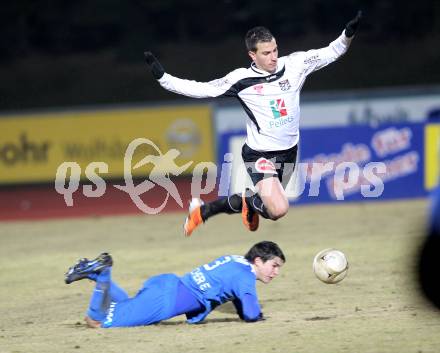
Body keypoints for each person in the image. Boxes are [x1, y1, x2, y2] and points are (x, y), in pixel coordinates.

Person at [144, 12, 362, 236]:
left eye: (275, 50)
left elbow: (332, 51)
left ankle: (203, 211)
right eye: (266, 53)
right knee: (279, 209)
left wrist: (347, 34)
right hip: (260, 155)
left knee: (268, 206)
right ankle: (248, 203)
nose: (273, 57)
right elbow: (202, 89)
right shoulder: (241, 79)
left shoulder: (295, 64)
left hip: (289, 152)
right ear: (252, 55)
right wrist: (164, 79)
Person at [64, 241, 285, 328]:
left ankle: (95, 272)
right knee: (96, 321)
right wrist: (257, 316)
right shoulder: (245, 277)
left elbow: (235, 297)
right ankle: (102, 274)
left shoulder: (236, 260)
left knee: (125, 305)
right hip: (166, 300)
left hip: (168, 283)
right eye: (274, 266)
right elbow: (251, 313)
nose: (276, 272)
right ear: (258, 261)